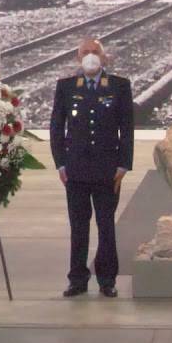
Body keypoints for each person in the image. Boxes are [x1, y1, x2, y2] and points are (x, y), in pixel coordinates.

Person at [50, 38, 134, 298]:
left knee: (106, 225)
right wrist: (60, 163)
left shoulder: (119, 86)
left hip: (108, 170)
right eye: (85, 53)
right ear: (78, 59)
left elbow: (127, 128)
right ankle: (77, 279)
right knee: (78, 226)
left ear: (104, 58)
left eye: (95, 52)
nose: (90, 56)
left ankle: (107, 279)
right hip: (75, 170)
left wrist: (123, 165)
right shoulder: (65, 87)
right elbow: (56, 128)